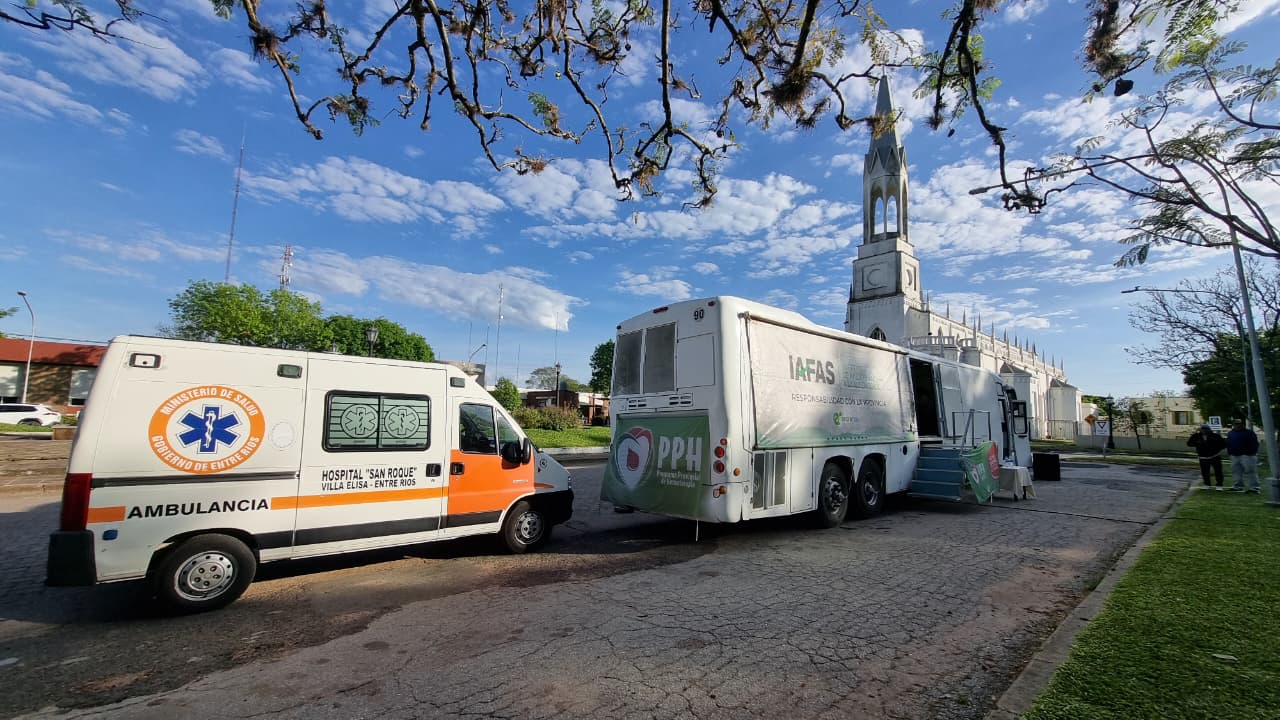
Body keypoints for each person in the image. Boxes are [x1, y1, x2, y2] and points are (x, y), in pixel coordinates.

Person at [1187, 424, 1227, 489]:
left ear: (1209, 430)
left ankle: (1219, 485)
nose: (1204, 431)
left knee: (1218, 471)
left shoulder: (1215, 436)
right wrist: (1197, 444)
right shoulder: (1196, 436)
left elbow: (1223, 444)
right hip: (1203, 457)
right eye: (1203, 429)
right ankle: (1207, 484)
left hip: (1215, 456)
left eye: (1206, 429)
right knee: (1205, 472)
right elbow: (1189, 443)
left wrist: (1217, 449)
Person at [1226, 419, 1261, 493]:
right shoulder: (1231, 433)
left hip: (1247, 455)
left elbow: (1255, 444)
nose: (1237, 425)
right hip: (1234, 455)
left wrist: (1251, 452)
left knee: (1250, 471)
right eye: (1235, 424)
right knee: (1236, 472)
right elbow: (1228, 443)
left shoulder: (1249, 433)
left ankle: (1255, 487)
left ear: (1242, 424)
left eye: (1239, 424)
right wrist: (1230, 452)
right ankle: (1238, 486)